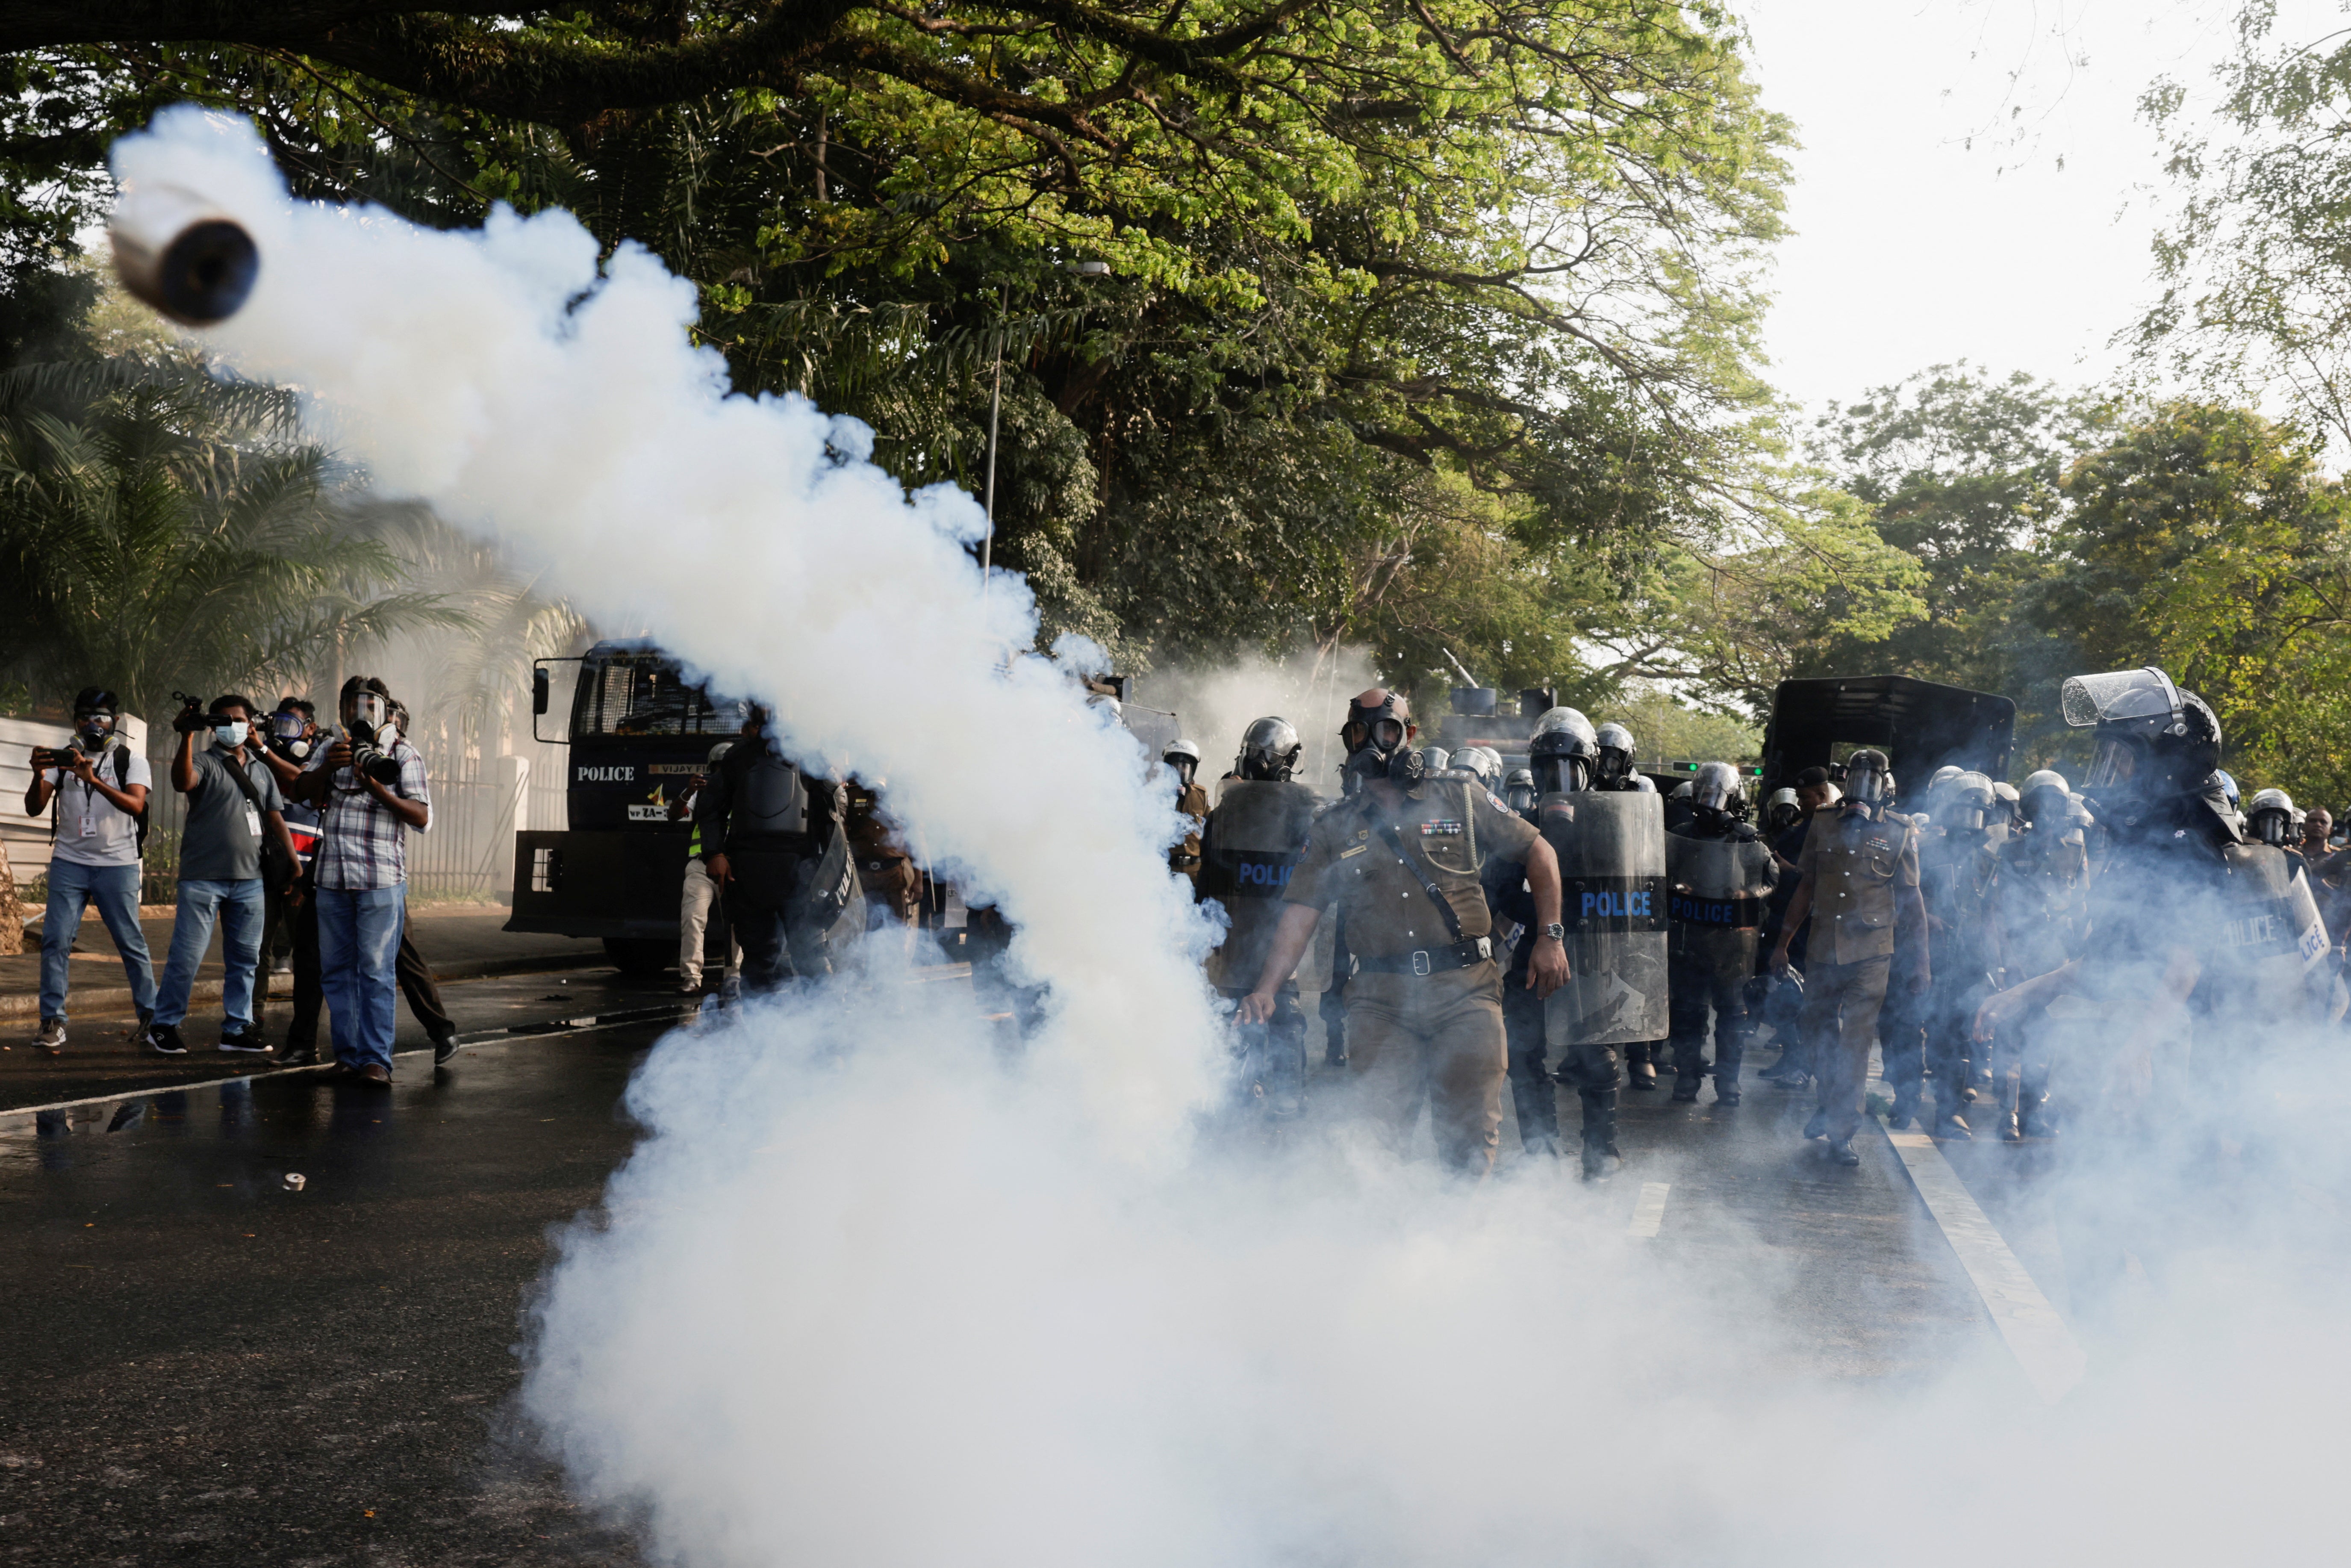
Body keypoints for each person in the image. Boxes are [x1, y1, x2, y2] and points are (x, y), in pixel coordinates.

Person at [1972, 667, 2324, 1329]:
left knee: (2122, 1200)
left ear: (2167, 761)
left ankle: (2178, 1356)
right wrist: (2025, 990)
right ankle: (2145, 1356)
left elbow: (2185, 955)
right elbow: (2118, 950)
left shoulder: (2191, 834)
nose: (2112, 771)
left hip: (2158, 1039)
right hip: (2128, 1029)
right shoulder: (2148, 831)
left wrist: (2139, 1051)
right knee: (2105, 1198)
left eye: (2124, 757)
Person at [1237, 699, 1570, 1174]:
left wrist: (1550, 936)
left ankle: (1459, 1239)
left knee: (1470, 1141)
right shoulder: (1334, 825)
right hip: (1380, 1001)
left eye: (1386, 730)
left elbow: (1540, 851)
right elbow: (1301, 910)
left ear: (1408, 735)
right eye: (1359, 734)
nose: (1372, 743)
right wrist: (1267, 989)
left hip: (1465, 993)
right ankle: (1392, 1244)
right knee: (1376, 1145)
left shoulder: (1460, 795)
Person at [1769, 748, 1929, 1167]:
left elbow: (1912, 901)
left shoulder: (1899, 830)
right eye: (1857, 776)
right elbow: (1805, 886)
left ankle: (1843, 1130)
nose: (1864, 785)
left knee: (1855, 1040)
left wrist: (1921, 963)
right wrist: (1783, 942)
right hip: (1824, 947)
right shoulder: (1823, 822)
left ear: (1884, 783)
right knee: (1817, 1029)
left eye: (1871, 777)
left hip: (1873, 953)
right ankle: (1827, 1103)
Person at [289, 676, 430, 1086]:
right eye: (353, 706)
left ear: (385, 710)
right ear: (342, 710)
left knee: (375, 970)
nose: (360, 714)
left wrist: (377, 788)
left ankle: (376, 1061)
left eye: (369, 706)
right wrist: (328, 768)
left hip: (381, 880)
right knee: (335, 970)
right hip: (333, 877)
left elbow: (421, 817)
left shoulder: (403, 753)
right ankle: (347, 1056)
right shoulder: (329, 749)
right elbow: (300, 791)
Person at [144, 696, 301, 1056]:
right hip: (203, 878)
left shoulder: (261, 770)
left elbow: (276, 818)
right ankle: (164, 1025)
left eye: (240, 719)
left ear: (251, 725)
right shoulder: (203, 761)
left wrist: (294, 863)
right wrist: (185, 737)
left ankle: (236, 1028)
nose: (233, 726)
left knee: (246, 959)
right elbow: (183, 782)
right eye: (225, 720)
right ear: (213, 727)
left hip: (251, 880)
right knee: (187, 957)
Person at [1197, 717, 1319, 1118]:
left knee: (1287, 1052)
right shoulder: (1224, 816)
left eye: (1267, 755)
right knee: (1222, 1071)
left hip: (1279, 960)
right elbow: (1207, 893)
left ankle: (1284, 1131)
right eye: (1254, 753)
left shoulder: (1307, 818)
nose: (1258, 762)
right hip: (1231, 959)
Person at [23, 687, 155, 1053]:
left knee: (131, 943)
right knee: (55, 941)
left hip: (118, 865)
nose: (93, 724)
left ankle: (152, 1017)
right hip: (70, 862)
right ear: (76, 722)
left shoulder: (131, 760)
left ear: (114, 723)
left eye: (101, 718)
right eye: (85, 717)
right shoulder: (60, 759)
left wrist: (94, 779)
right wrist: (39, 774)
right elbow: (35, 808)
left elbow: (136, 806)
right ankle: (53, 1021)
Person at [696, 705, 850, 994]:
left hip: (801, 870)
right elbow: (710, 809)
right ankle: (763, 1033)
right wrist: (714, 854)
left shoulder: (809, 758)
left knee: (811, 957)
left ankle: (825, 1031)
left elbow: (836, 809)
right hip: (746, 869)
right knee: (759, 960)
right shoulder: (738, 758)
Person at [1981, 768, 2089, 1140]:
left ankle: (2033, 1111)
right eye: (2040, 806)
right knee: (2011, 1038)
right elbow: (1996, 909)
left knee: (2047, 1038)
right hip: (2018, 955)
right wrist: (2004, 958)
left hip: (2056, 960)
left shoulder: (2075, 852)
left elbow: (2082, 906)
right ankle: (2007, 1114)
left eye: (2054, 806)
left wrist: (2080, 955)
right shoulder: (2010, 850)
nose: (2047, 813)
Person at [1664, 761, 1777, 1106]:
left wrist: (1749, 895)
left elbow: (1771, 880)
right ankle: (1687, 1078)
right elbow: (1661, 874)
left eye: (1717, 796)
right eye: (1704, 795)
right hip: (1690, 937)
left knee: (1732, 1016)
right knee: (1687, 1014)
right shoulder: (1682, 834)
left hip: (1732, 944)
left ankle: (1728, 1082)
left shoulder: (1746, 839)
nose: (1708, 804)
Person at [1905, 769, 2001, 1138]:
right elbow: (1903, 896)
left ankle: (1950, 1111)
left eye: (1977, 814)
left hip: (1968, 961)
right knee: (1908, 1027)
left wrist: (1996, 963)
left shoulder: (1989, 860)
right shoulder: (1924, 851)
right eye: (1962, 811)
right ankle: (1906, 1096)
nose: (1969, 822)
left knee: (1958, 1035)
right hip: (1922, 954)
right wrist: (1926, 917)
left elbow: (1993, 913)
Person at [670, 741, 742, 993]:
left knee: (735, 924)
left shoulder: (744, 791)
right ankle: (691, 977)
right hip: (700, 866)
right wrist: (688, 792)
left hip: (733, 868)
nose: (721, 773)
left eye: (726, 768)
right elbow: (673, 815)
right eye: (716, 768)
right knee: (692, 919)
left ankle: (733, 978)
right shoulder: (702, 791)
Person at [1165, 739, 1208, 885]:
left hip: (1195, 873)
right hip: (1167, 871)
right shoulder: (1157, 795)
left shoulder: (1201, 795)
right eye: (1176, 765)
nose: (1181, 770)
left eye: (1186, 767)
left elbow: (1211, 829)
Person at [1592, 722, 1641, 790]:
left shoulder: (1630, 794)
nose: (1603, 769)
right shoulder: (1580, 788)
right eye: (1600, 760)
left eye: (1612, 763)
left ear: (1625, 766)